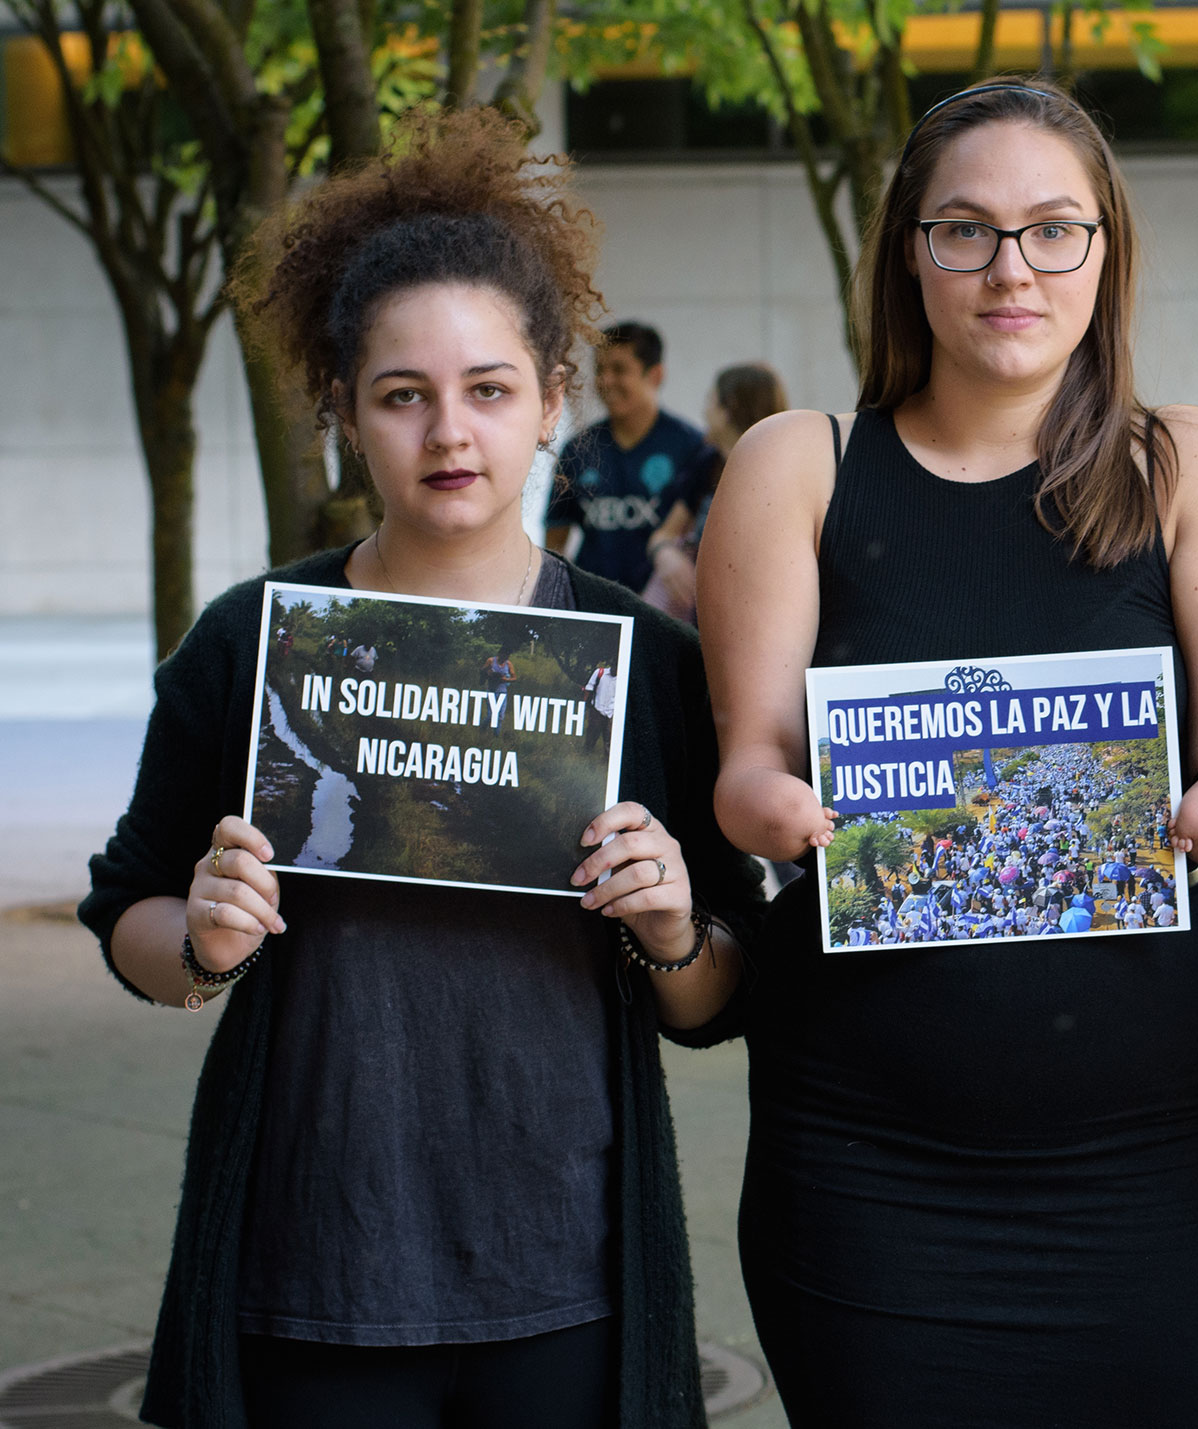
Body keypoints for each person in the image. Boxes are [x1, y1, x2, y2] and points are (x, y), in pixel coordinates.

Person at [77, 109, 764, 1429]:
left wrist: (676, 926)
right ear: (340, 409)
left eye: (491, 389)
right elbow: (130, 919)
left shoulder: (641, 660)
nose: (451, 432)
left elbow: (720, 993)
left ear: (553, 397)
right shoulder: (253, 646)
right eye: (403, 395)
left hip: (567, 1276)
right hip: (309, 1270)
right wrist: (206, 937)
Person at [699, 78, 1198, 1427]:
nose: (1010, 267)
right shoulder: (801, 463)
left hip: (1150, 1149)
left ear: (1106, 250)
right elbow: (747, 765)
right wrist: (771, 803)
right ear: (909, 251)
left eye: (1052, 229)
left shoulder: (1186, 461)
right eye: (964, 230)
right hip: (866, 1153)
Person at [543, 320, 717, 594]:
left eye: (619, 369)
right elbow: (555, 541)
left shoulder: (692, 447)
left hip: (665, 609)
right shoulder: (578, 449)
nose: (606, 380)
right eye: (600, 369)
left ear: (655, 375)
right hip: (595, 607)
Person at [642, 361, 789, 620]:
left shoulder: (783, 469)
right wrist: (666, 555)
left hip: (762, 613)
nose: (704, 411)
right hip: (705, 612)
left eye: (711, 401)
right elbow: (664, 534)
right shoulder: (708, 463)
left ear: (728, 409)